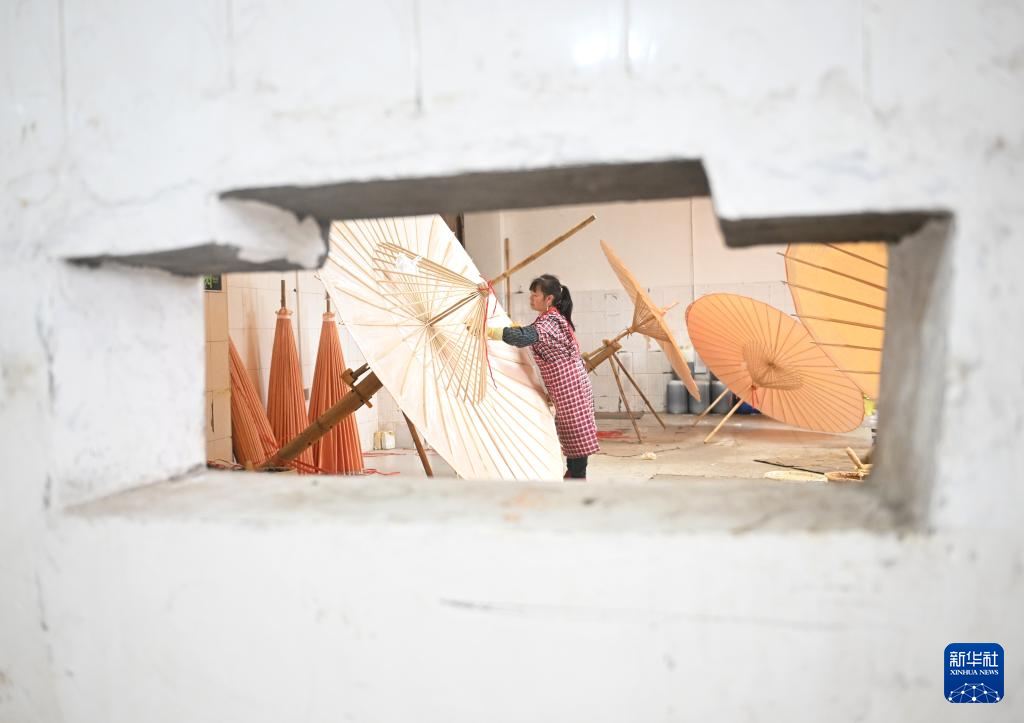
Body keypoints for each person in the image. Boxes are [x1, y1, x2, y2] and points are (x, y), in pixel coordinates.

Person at [486, 274, 599, 479]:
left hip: (572, 387)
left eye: (535, 295)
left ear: (549, 299)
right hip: (567, 386)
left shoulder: (550, 322)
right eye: (531, 294)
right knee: (571, 434)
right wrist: (517, 330)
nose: (531, 298)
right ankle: (573, 474)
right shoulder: (549, 318)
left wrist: (492, 332)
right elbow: (530, 333)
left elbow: (524, 338)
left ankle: (577, 477)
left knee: (576, 434)